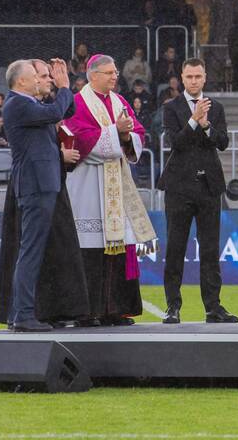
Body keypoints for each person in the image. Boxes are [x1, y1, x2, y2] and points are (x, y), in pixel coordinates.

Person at [63, 53, 157, 326]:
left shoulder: (120, 101)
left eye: (115, 72)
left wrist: (126, 136)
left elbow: (138, 134)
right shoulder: (78, 102)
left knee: (118, 251)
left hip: (117, 183)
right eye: (109, 72)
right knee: (90, 254)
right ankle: (87, 312)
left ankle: (116, 309)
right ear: (92, 75)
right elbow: (80, 138)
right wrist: (116, 131)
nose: (115, 76)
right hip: (89, 187)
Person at [0, 58, 89, 330]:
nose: (39, 81)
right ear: (21, 81)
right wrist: (62, 86)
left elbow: (66, 109)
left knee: (32, 250)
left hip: (42, 184)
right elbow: (56, 112)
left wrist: (65, 88)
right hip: (36, 185)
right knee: (31, 251)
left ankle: (21, 312)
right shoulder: (18, 104)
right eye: (35, 78)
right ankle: (23, 314)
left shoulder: (30, 104)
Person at [157, 58, 238, 324]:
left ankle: (213, 307)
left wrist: (205, 125)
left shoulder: (217, 108)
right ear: (182, 77)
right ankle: (172, 306)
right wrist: (192, 120)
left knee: (210, 250)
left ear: (205, 78)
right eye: (189, 76)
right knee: (175, 248)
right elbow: (175, 143)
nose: (193, 81)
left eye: (198, 76)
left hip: (208, 187)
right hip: (178, 187)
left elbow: (223, 142)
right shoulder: (171, 108)